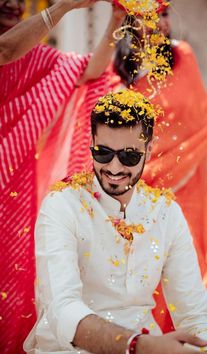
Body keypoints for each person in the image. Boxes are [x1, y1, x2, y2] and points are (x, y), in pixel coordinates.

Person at [24, 89, 207, 354]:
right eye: (103, 153)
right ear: (91, 143)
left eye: (129, 156)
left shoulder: (165, 212)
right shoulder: (62, 205)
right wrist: (136, 346)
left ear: (149, 150)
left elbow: (195, 315)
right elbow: (63, 309)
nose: (115, 168)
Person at [0, 1, 125, 353]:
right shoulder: (15, 49)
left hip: (14, 190)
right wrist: (66, 6)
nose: (13, 3)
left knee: (13, 279)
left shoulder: (37, 57)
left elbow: (90, 70)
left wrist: (114, 22)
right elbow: (5, 49)